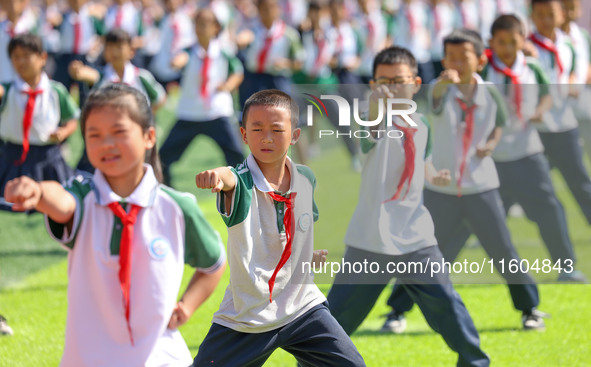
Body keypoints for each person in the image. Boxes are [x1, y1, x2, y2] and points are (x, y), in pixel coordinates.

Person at [3, 84, 226, 366]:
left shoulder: (176, 208)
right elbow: (63, 201)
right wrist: (38, 191)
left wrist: (187, 306)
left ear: (149, 137)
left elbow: (214, 263)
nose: (106, 144)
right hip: (87, 359)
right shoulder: (84, 199)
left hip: (160, 358)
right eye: (94, 135)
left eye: (119, 133)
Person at [326, 46, 490, 367]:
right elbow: (369, 134)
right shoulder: (368, 118)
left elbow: (421, 161)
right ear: (372, 86)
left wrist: (434, 175)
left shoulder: (422, 124)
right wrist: (376, 108)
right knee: (333, 322)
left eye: (398, 81)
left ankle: (475, 363)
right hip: (370, 240)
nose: (391, 88)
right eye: (383, 82)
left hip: (415, 237)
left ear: (415, 84)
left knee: (448, 308)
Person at [383, 29, 547, 332]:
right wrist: (444, 84)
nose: (456, 62)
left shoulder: (492, 92)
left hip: (481, 185)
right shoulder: (440, 88)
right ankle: (396, 312)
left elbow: (499, 122)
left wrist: (492, 143)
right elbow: (432, 102)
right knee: (422, 252)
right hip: (441, 188)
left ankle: (529, 308)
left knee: (503, 249)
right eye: (451, 57)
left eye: (464, 57)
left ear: (481, 60)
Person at [193, 89, 366, 367]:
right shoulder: (241, 183)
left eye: (277, 129)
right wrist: (217, 175)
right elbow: (229, 178)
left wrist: (305, 256)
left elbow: (293, 232)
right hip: (249, 316)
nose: (267, 137)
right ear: (244, 134)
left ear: (295, 135)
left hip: (302, 307)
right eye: (257, 129)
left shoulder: (305, 179)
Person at [482, 15, 585, 282]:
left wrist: (540, 111)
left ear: (522, 41)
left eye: (512, 42)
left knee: (549, 209)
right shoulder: (483, 69)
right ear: (491, 42)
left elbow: (547, 94)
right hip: (490, 156)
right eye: (500, 43)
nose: (506, 48)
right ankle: (428, 277)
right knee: (469, 218)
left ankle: (567, 267)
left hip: (528, 152)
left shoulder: (533, 68)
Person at [159, 7, 244, 187]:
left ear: (215, 28)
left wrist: (228, 85)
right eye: (197, 24)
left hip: (217, 111)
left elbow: (237, 72)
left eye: (205, 24)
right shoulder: (189, 52)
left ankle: (240, 193)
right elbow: (181, 58)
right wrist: (177, 62)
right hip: (190, 113)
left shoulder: (223, 52)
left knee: (237, 155)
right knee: (162, 157)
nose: (201, 29)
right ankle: (167, 193)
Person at [528, 0, 591, 229]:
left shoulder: (570, 45)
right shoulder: (525, 47)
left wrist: (575, 81)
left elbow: (574, 73)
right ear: (531, 17)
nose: (545, 20)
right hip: (533, 130)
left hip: (564, 125)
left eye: (550, 14)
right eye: (539, 15)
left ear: (561, 16)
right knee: (514, 187)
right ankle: (477, 227)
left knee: (581, 184)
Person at [69, 28, 166, 173]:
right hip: (105, 136)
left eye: (119, 47)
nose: (114, 52)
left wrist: (145, 116)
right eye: (109, 48)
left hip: (136, 137)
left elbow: (160, 98)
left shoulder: (140, 77)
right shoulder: (101, 76)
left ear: (131, 51)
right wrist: (77, 71)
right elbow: (86, 74)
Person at [0, 33, 79, 210]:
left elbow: (73, 118)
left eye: (27, 56)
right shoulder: (7, 89)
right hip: (12, 156)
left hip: (47, 157)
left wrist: (64, 132)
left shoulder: (55, 91)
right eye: (15, 57)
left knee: (57, 197)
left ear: (43, 58)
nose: (21, 62)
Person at [0, 0, 39, 83]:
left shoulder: (30, 27)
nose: (11, 5)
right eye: (6, 2)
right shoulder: (1, 28)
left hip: (26, 81)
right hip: (4, 79)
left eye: (14, 1)